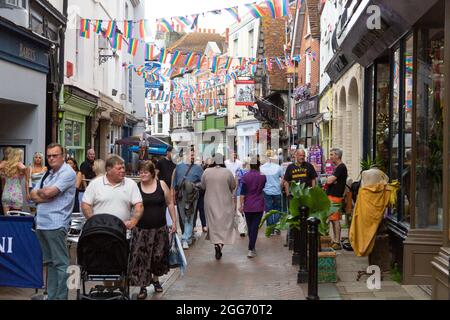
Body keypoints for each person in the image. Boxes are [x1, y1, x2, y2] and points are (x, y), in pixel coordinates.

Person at [30, 143, 76, 300]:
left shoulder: (67, 172)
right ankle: (51, 296)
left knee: (61, 264)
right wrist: (46, 194)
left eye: (55, 155)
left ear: (63, 156)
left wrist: (45, 193)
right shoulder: (48, 174)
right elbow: (32, 195)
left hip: (56, 223)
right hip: (42, 223)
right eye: (49, 155)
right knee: (50, 263)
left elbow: (49, 192)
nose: (51, 158)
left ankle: (61, 297)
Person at [129, 161, 177, 299]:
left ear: (152, 173)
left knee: (158, 256)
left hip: (159, 229)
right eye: (140, 172)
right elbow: (130, 206)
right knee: (141, 258)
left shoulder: (161, 185)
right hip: (141, 230)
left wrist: (174, 221)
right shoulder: (136, 188)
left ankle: (155, 280)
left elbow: (169, 203)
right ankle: (142, 286)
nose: (142, 174)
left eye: (145, 172)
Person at [81, 155, 144, 230]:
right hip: (99, 231)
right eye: (119, 168)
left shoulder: (131, 184)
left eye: (123, 168)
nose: (123, 170)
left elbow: (139, 206)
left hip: (122, 231)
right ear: (108, 170)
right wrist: (93, 221)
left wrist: (133, 221)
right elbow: (85, 205)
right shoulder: (95, 184)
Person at [201, 154, 236, 260]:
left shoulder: (206, 171)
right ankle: (220, 244)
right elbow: (233, 186)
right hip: (225, 202)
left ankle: (216, 243)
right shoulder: (227, 172)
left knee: (213, 223)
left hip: (210, 202)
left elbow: (203, 186)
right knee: (225, 224)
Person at [171, 147, 203, 249]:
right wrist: (172, 197)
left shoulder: (199, 168)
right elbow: (174, 183)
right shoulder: (178, 167)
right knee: (183, 216)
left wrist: (195, 185)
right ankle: (188, 236)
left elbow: (203, 183)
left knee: (190, 215)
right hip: (181, 194)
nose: (193, 156)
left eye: (194, 155)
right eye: (191, 154)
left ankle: (185, 238)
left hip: (192, 195)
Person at [239, 157, 266, 258]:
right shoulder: (263, 176)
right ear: (259, 165)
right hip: (259, 204)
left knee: (250, 227)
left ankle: (251, 247)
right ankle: (251, 248)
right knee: (254, 228)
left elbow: (242, 193)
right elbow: (262, 187)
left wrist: (241, 205)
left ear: (250, 165)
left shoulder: (245, 176)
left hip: (248, 205)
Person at [325, 148, 348, 250]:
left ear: (337, 156)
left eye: (332, 155)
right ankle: (335, 240)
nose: (330, 157)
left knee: (335, 220)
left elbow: (329, 181)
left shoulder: (341, 167)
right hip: (332, 196)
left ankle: (337, 242)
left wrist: (328, 179)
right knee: (332, 219)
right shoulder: (337, 167)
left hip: (335, 197)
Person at [260, 150, 283, 235]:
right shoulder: (278, 167)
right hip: (277, 191)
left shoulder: (262, 168)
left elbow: (261, 180)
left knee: (268, 210)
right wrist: (280, 186)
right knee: (277, 209)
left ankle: (270, 228)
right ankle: (277, 227)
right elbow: (283, 178)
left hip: (266, 191)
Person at [0, 148, 28, 214]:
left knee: (7, 219)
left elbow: (3, 182)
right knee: (16, 219)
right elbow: (25, 168)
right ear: (18, 156)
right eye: (21, 155)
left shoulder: (5, 164)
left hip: (5, 194)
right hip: (16, 194)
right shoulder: (18, 164)